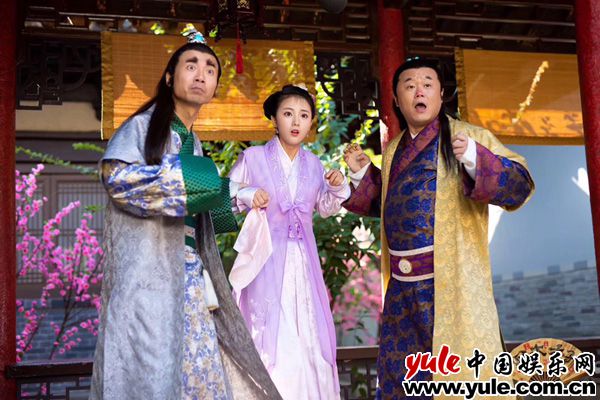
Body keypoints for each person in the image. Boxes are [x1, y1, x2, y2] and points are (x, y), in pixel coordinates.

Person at [90, 33, 280, 400]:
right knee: (152, 376)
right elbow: (116, 178)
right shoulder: (142, 126)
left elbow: (199, 207)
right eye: (190, 65)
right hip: (149, 277)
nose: (200, 74)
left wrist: (237, 196)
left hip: (191, 276)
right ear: (168, 78)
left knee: (199, 376)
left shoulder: (194, 142)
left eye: (210, 69)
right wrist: (201, 180)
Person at [343, 57, 535, 399]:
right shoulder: (393, 151)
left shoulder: (469, 137)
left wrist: (476, 159)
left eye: (427, 84)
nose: (419, 91)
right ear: (397, 99)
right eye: (409, 86)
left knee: (459, 381)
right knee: (404, 382)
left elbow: (520, 185)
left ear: (441, 94)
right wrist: (363, 175)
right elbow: (392, 205)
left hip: (449, 286)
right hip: (402, 291)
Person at [228, 84, 348, 400]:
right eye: (288, 114)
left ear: (311, 123)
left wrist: (337, 186)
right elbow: (224, 199)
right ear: (274, 119)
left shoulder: (315, 165)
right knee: (270, 334)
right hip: (265, 260)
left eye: (304, 115)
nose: (296, 122)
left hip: (304, 265)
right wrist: (248, 194)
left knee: (309, 335)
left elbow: (325, 207)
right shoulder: (252, 158)